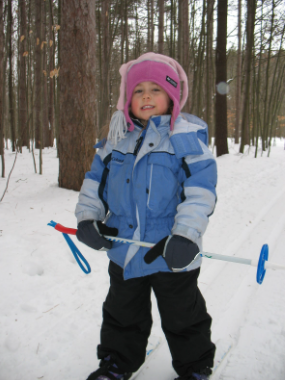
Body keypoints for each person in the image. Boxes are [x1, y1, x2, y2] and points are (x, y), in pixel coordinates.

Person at [75, 52, 217, 380]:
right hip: (124, 249)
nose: (147, 96)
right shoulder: (116, 141)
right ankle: (116, 363)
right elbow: (94, 184)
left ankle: (195, 366)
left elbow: (201, 191)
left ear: (173, 97)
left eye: (156, 89)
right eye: (139, 90)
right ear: (128, 99)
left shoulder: (185, 138)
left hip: (171, 250)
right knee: (122, 314)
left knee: (183, 315)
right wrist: (87, 218)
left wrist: (187, 234)